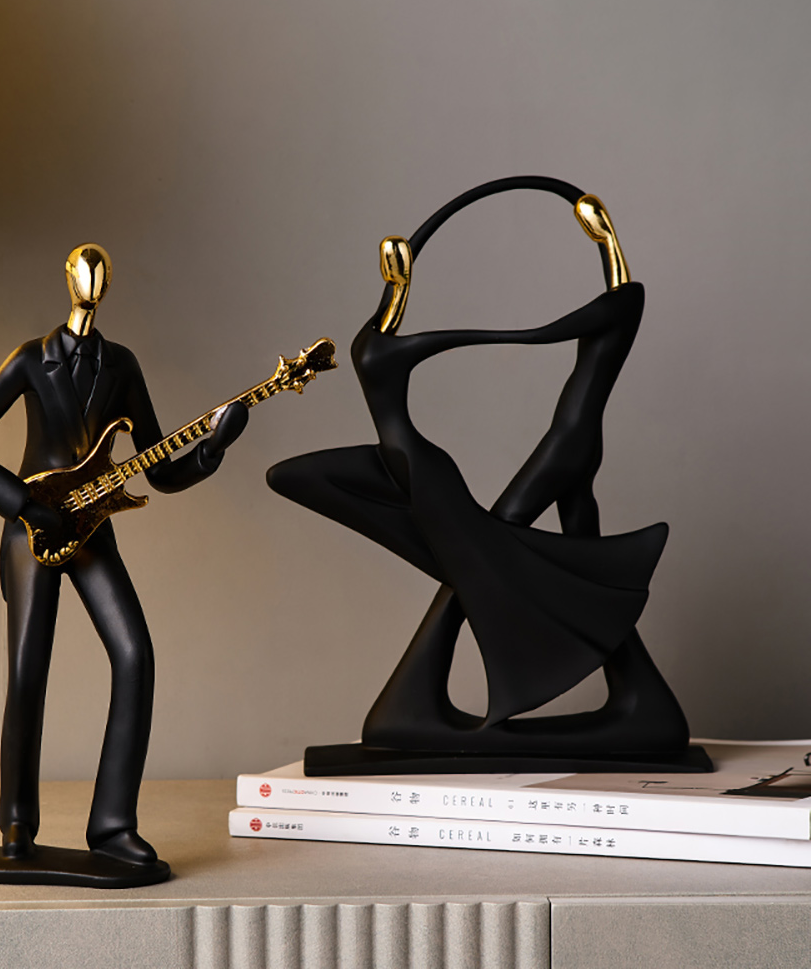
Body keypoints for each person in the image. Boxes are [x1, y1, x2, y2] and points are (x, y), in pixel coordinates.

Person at [269, 178, 691, 763]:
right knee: (546, 548)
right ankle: (633, 690)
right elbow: (465, 331)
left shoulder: (625, 301)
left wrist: (533, 315)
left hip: (561, 443)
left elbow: (558, 327)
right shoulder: (377, 333)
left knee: (492, 547)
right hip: (453, 453)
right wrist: (419, 296)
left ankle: (615, 685)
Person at [0, 244, 247, 881]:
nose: (93, 281)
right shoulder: (31, 358)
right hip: (33, 530)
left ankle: (112, 826)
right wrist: (24, 504)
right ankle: (17, 827)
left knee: (135, 654)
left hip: (93, 531)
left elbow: (160, 471)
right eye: (84, 270)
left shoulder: (123, 366)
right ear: (68, 278)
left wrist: (213, 449)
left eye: (101, 272)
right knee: (27, 672)